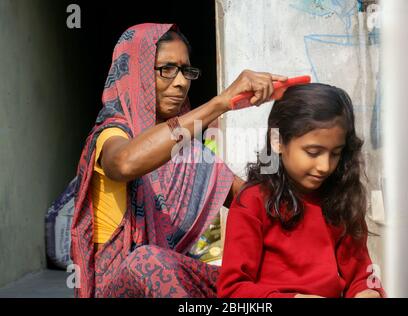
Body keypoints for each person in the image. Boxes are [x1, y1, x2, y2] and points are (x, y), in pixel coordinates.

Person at [70, 23, 287, 298]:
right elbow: (124, 164)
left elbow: (249, 200)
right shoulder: (113, 134)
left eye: (186, 71)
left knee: (248, 286)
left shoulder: (189, 153)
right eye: (166, 69)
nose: (182, 81)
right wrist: (221, 102)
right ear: (137, 73)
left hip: (166, 284)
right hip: (118, 286)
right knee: (146, 262)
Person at [217, 83, 386, 298]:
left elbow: (361, 275)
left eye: (335, 153)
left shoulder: (340, 200)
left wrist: (367, 292)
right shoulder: (253, 202)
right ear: (278, 141)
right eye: (313, 152)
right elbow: (233, 291)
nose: (325, 166)